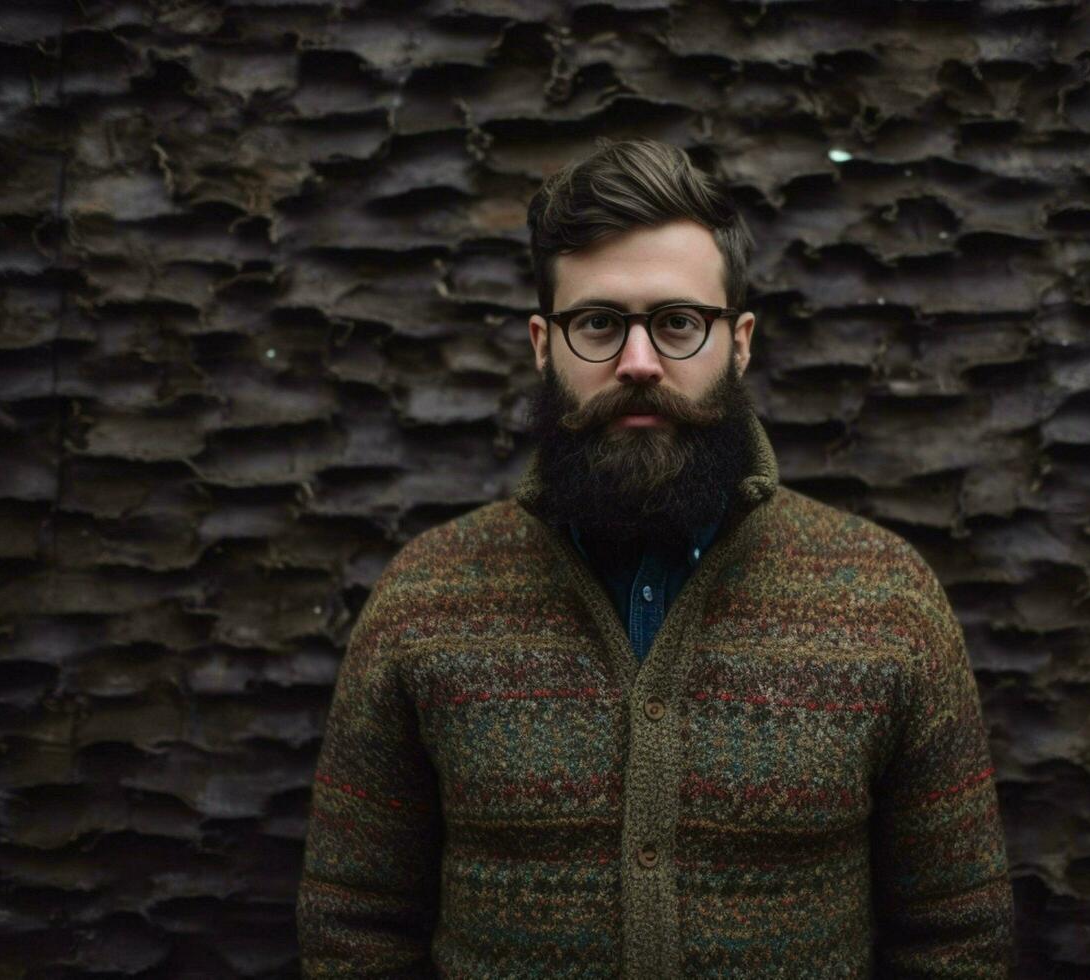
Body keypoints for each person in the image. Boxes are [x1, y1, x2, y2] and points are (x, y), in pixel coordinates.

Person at [296, 137, 1014, 977]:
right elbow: (354, 924)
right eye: (598, 323)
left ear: (739, 341)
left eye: (679, 323)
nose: (639, 363)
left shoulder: (888, 598)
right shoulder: (425, 598)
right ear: (542, 343)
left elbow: (958, 935)